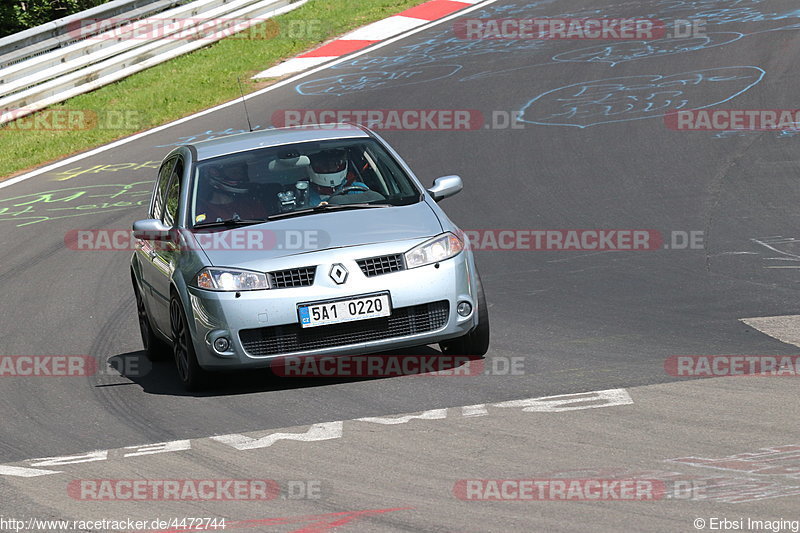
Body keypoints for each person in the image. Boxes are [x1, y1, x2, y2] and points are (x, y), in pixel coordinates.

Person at [195, 163, 267, 223]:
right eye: (234, 173)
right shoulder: (196, 211)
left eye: (242, 172)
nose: (240, 178)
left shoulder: (252, 204)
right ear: (214, 172)